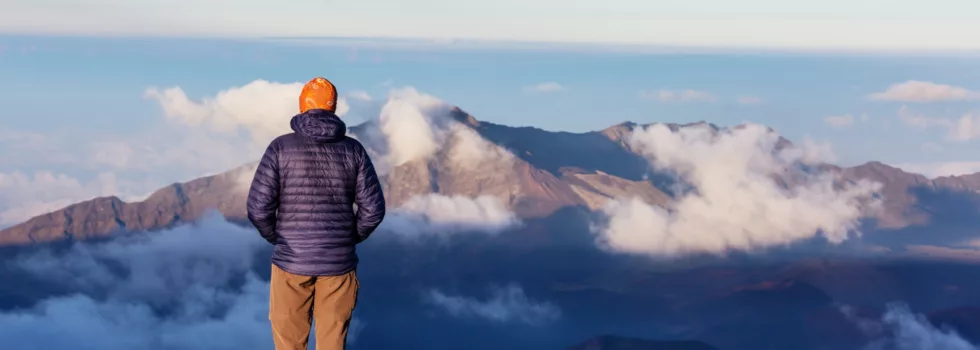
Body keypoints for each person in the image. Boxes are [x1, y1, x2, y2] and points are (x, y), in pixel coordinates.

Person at [246, 76, 386, 350]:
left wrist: (280, 238)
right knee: (332, 343)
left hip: (290, 264)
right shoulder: (354, 150)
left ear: (303, 105)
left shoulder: (280, 147)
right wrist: (347, 238)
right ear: (333, 107)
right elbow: (373, 209)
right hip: (338, 266)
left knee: (289, 344)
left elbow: (258, 208)